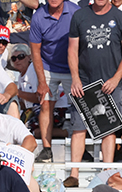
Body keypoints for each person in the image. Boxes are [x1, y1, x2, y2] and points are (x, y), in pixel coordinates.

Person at [65, 0, 122, 187]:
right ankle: (74, 173)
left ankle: (107, 172)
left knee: (109, 129)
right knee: (78, 127)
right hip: (85, 82)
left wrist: (116, 78)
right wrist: (75, 78)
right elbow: (72, 49)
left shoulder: (121, 18)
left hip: (110, 83)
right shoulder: (80, 16)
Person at [29, 0, 80, 163]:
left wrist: (78, 73)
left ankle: (81, 147)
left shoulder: (75, 12)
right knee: (45, 103)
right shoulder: (38, 16)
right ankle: (46, 148)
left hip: (71, 66)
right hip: (47, 65)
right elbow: (35, 51)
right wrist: (42, 82)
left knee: (80, 107)